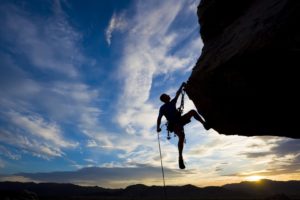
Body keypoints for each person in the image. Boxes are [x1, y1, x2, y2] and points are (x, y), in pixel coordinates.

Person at [156, 82, 210, 169]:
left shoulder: (168, 105)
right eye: (167, 95)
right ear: (165, 98)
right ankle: (180, 157)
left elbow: (177, 94)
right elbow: (159, 118)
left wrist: (158, 127)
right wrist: (182, 84)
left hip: (178, 122)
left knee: (192, 113)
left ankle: (204, 124)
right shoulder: (166, 106)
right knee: (182, 135)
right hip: (175, 124)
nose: (169, 95)